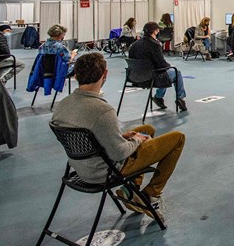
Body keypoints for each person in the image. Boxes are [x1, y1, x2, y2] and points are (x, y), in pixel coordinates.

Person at [51, 52, 185, 223]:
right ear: (104, 74)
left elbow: (87, 136)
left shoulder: (63, 105)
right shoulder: (102, 110)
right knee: (177, 138)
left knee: (147, 129)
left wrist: (124, 136)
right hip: (105, 171)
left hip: (81, 167)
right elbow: (119, 153)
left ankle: (131, 191)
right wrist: (137, 140)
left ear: (76, 75)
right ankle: (152, 195)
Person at [128, 22, 188, 112]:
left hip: (134, 77)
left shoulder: (134, 45)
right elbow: (161, 65)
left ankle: (159, 97)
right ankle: (180, 98)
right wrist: (169, 66)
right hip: (150, 78)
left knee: (164, 72)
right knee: (176, 73)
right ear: (155, 31)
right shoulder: (154, 45)